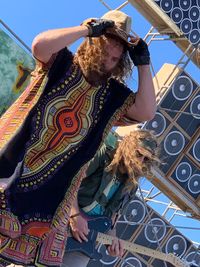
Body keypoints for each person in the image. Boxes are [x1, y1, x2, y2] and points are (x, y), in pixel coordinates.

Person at [0, 10, 156, 266]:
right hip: (10, 160)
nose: (114, 48)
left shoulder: (113, 97)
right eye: (110, 39)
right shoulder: (61, 61)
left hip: (46, 194)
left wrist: (144, 63)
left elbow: (147, 110)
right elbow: (40, 45)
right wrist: (85, 30)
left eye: (120, 47)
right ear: (95, 39)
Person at [62, 129, 160, 267]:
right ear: (128, 146)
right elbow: (70, 182)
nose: (141, 161)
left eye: (146, 159)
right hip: (64, 217)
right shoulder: (104, 154)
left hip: (85, 239)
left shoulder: (131, 187)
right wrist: (74, 214)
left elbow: (111, 222)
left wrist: (113, 241)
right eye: (139, 154)